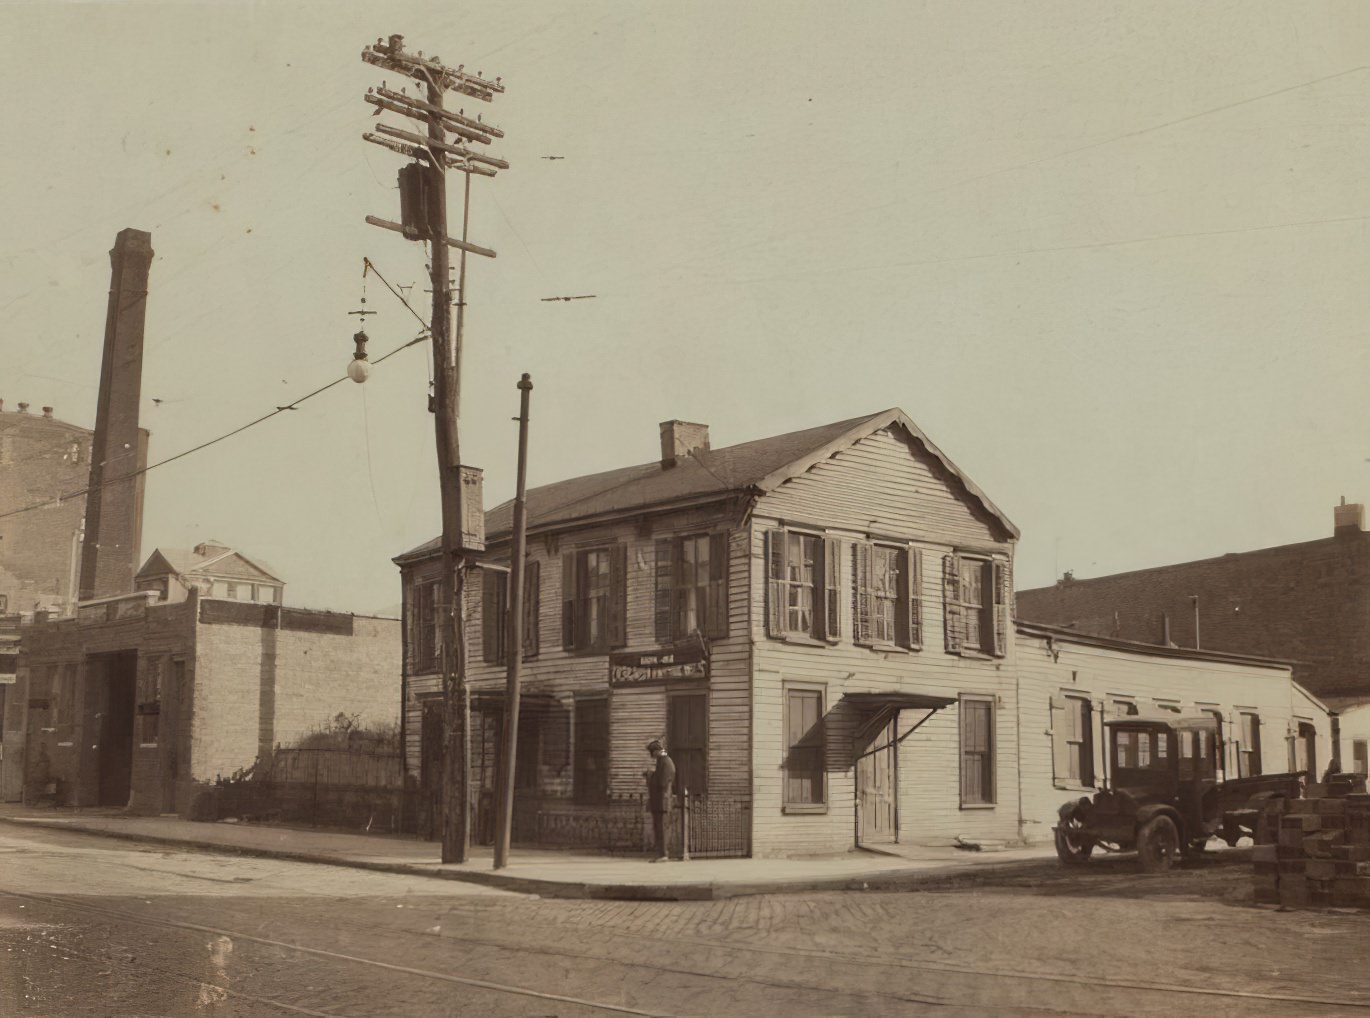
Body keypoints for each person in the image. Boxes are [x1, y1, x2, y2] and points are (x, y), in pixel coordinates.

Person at [644, 739, 676, 862]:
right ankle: (661, 854)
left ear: (657, 751)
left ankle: (663, 855)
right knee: (659, 828)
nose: (652, 755)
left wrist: (650, 776)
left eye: (652, 752)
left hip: (661, 801)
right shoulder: (664, 762)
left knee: (661, 829)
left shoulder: (665, 762)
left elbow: (662, 783)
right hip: (660, 801)